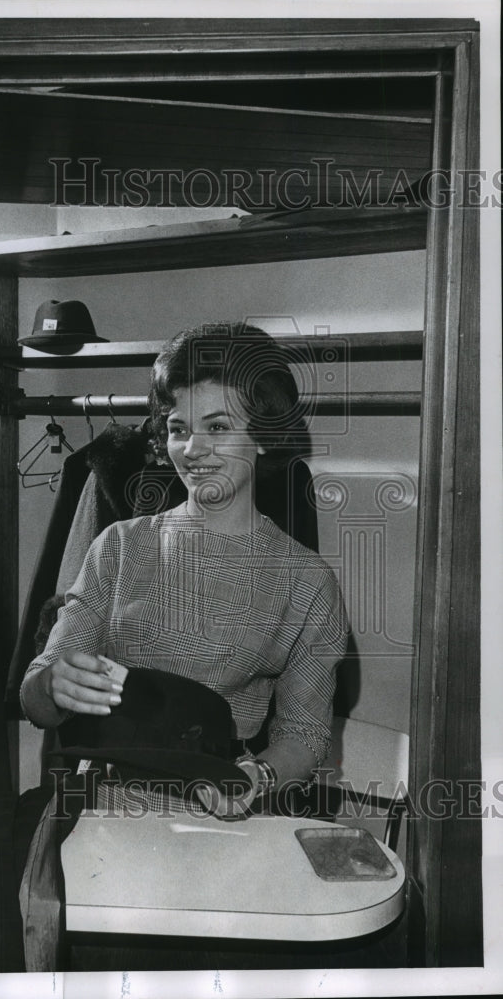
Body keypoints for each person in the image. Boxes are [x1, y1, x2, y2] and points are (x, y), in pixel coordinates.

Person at [19, 324, 349, 818]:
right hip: (103, 808)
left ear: (262, 435)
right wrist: (51, 685)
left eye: (217, 428)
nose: (192, 449)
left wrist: (253, 778)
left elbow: (304, 734)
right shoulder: (120, 546)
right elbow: (37, 700)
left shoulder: (306, 582)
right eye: (178, 428)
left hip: (220, 806)